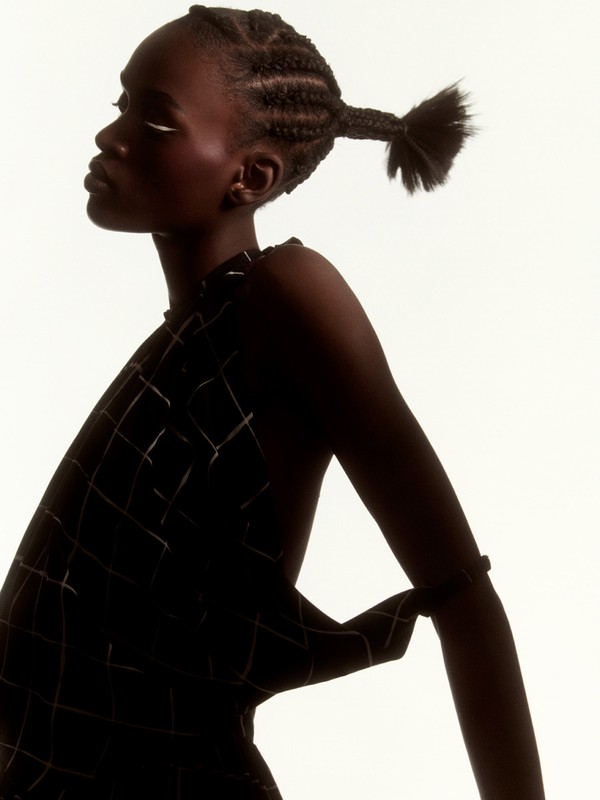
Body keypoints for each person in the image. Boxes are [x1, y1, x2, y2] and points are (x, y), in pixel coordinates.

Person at [0, 6, 545, 799]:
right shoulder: (182, 343)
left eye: (154, 120)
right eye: (121, 105)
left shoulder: (286, 295)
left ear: (251, 178)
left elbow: (461, 594)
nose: (110, 137)